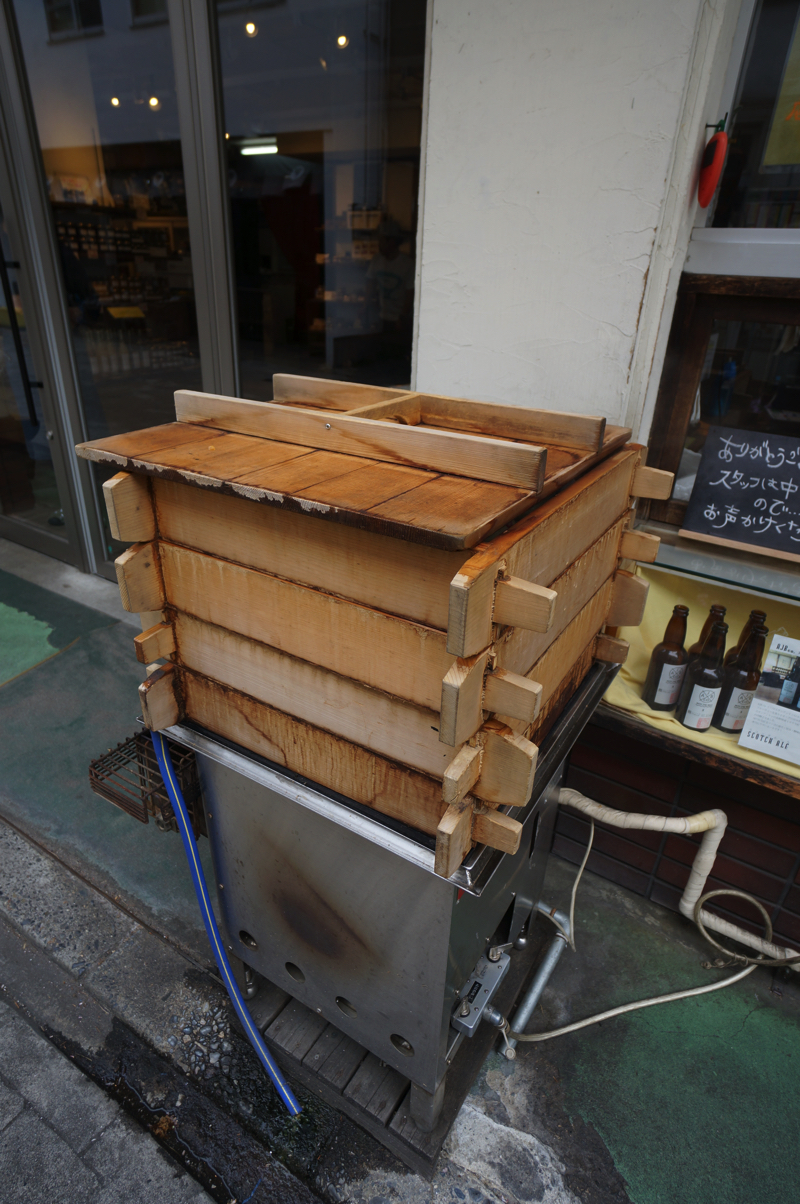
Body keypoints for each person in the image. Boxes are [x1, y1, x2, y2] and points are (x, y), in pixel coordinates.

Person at [365, 219, 414, 360]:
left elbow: (410, 293)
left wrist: (402, 317)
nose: (379, 244)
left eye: (381, 240)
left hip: (400, 319)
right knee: (380, 354)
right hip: (382, 316)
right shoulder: (377, 260)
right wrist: (365, 307)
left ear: (391, 242)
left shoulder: (407, 264)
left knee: (396, 356)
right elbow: (370, 284)